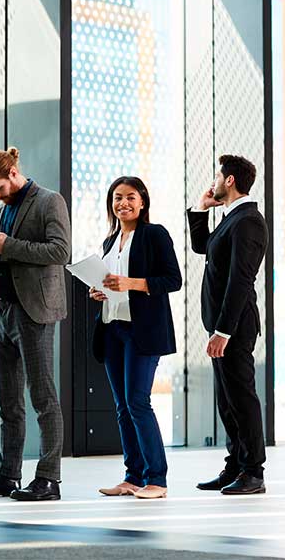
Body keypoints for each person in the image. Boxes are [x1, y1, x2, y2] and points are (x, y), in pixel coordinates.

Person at [0, 147, 70, 502]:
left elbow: (60, 252)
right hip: (0, 310)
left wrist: (8, 245)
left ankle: (48, 479)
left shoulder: (49, 201)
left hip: (34, 311)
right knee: (8, 402)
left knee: (42, 397)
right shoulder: (2, 208)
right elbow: (6, 256)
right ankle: (8, 475)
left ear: (12, 172)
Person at [89, 177, 182, 499]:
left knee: (138, 402)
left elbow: (172, 279)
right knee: (122, 407)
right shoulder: (110, 241)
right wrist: (100, 291)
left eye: (130, 197)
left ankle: (157, 479)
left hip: (142, 329)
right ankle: (133, 476)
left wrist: (130, 283)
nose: (123, 203)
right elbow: (112, 283)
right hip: (113, 326)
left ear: (143, 201)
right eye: (117, 198)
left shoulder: (154, 235)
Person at [188, 155, 268, 495]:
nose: (214, 182)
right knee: (227, 399)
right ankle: (235, 463)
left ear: (230, 180)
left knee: (241, 397)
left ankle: (254, 472)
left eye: (218, 176)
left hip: (233, 326)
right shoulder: (231, 218)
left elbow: (240, 281)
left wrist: (223, 332)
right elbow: (201, 246)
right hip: (221, 324)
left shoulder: (248, 221)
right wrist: (200, 208)